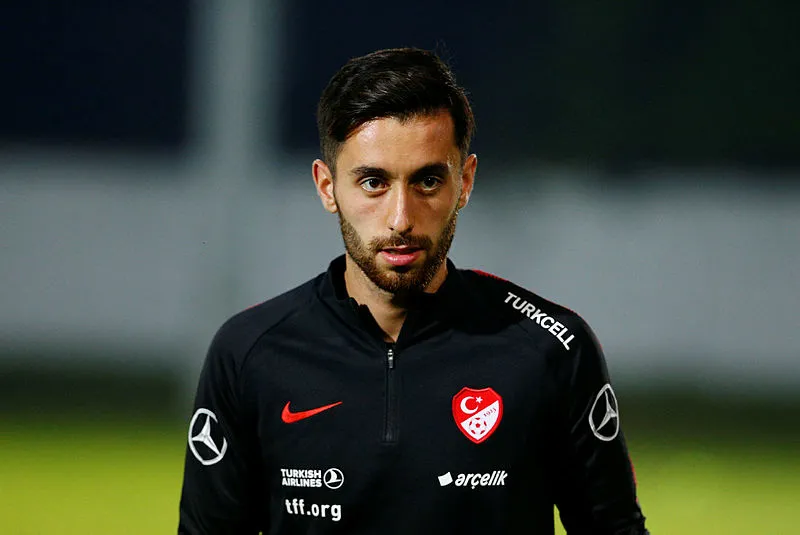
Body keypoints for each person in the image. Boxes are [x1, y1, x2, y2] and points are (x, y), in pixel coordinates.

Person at [178, 47, 648, 535]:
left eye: (427, 181)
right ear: (327, 187)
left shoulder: (553, 349)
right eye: (373, 182)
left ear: (464, 182)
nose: (401, 219)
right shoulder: (250, 353)